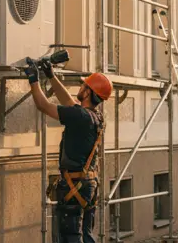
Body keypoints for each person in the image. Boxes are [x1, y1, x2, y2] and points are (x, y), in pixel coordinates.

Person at [25, 56, 113, 243]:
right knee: (85, 236)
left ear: (88, 93)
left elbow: (43, 105)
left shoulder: (80, 116)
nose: (80, 88)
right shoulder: (95, 116)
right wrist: (51, 76)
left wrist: (33, 79)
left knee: (71, 237)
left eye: (84, 86)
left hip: (75, 184)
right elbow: (69, 102)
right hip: (88, 185)